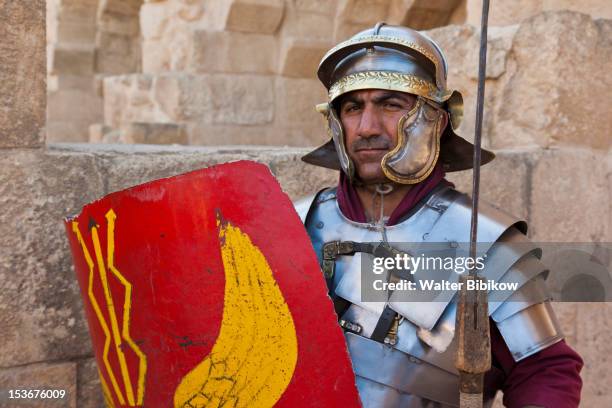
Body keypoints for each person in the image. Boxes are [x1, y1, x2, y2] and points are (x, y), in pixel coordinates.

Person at [295, 23, 583, 408]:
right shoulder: (293, 227)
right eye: (352, 108)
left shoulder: (483, 242)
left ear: (438, 119)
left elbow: (544, 371)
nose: (366, 127)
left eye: (391, 104)